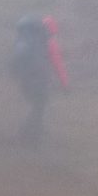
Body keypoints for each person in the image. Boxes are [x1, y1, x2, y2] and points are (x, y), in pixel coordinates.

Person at [10, 14, 68, 144]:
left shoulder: (25, 39)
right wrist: (64, 84)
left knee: (36, 105)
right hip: (39, 80)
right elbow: (58, 64)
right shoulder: (49, 42)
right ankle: (25, 134)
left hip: (25, 79)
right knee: (38, 106)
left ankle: (36, 131)